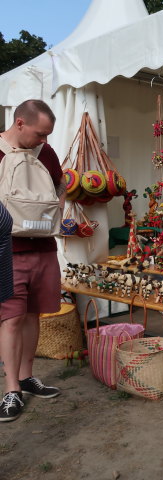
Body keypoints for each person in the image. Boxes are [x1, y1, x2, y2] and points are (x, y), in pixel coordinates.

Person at [0, 100, 64, 422]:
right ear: (20, 123)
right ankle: (11, 390)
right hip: (7, 250)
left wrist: (55, 219)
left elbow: (59, 186)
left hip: (42, 247)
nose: (44, 141)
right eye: (40, 134)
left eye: (48, 135)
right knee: (11, 318)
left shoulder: (46, 153)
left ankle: (27, 377)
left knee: (34, 314)